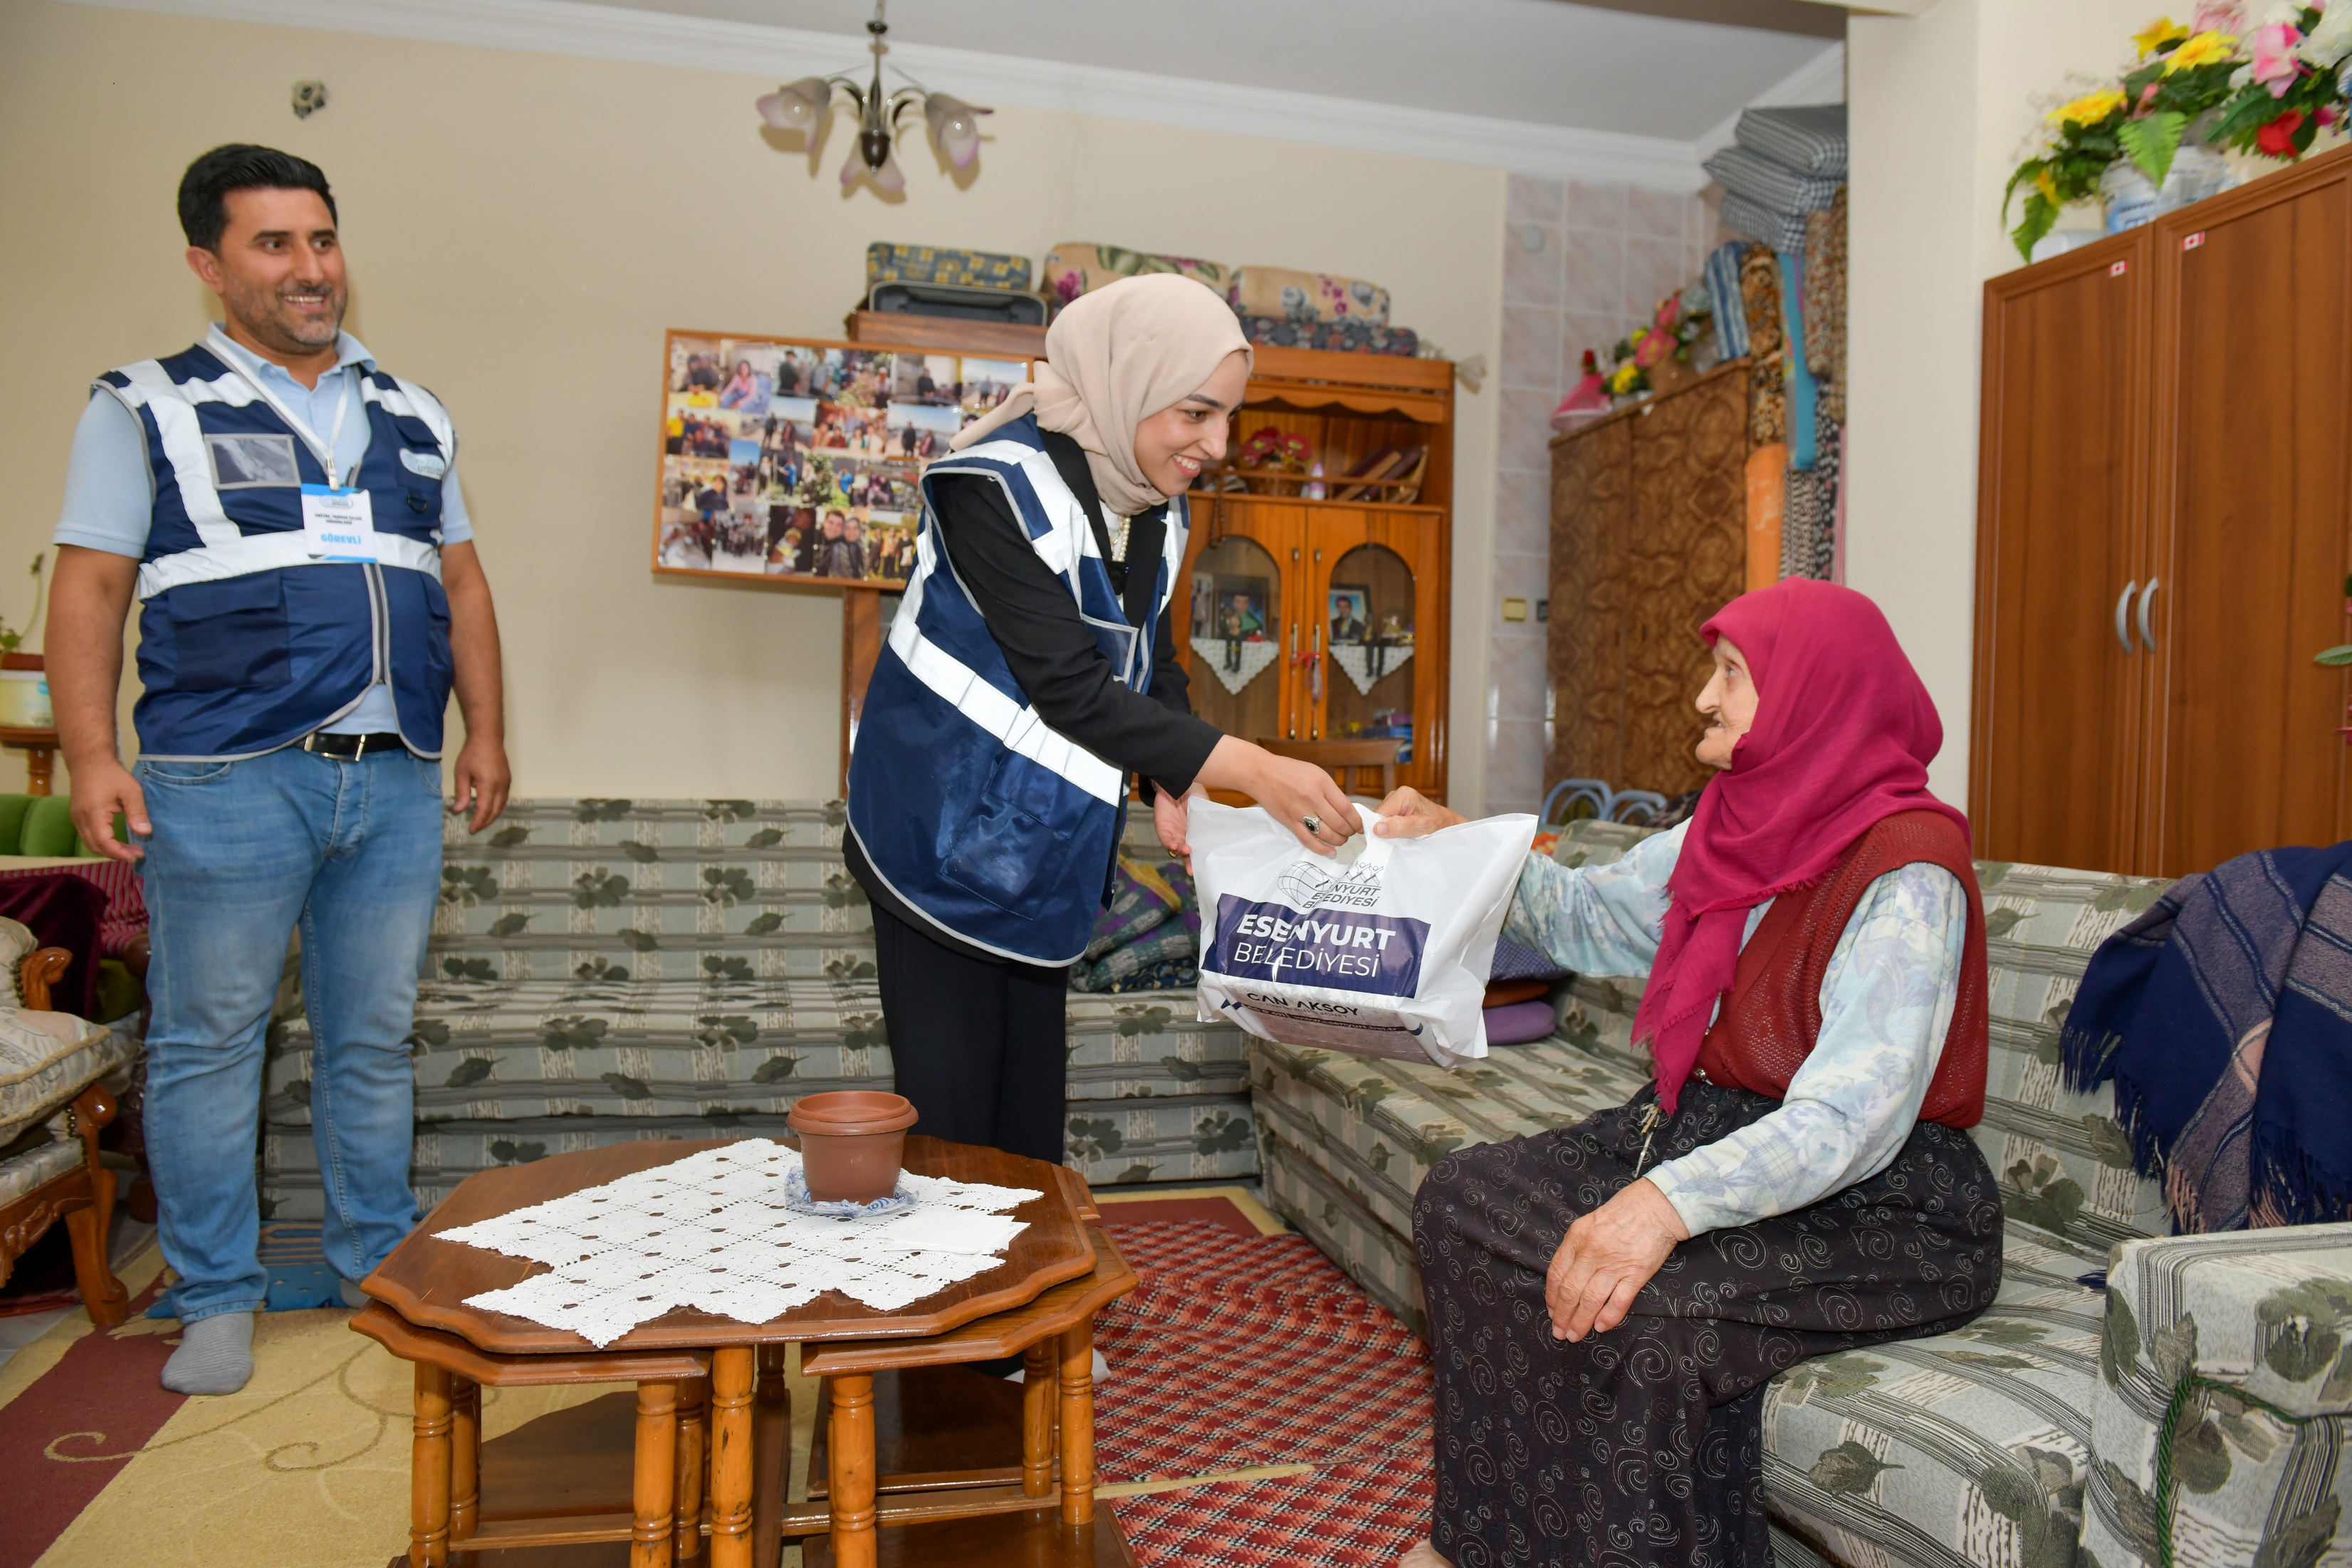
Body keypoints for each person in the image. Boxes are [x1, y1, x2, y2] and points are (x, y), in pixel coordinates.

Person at [1379, 578, 2000, 1568]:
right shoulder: (1734, 820)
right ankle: (1490, 1546)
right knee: (1462, 1200)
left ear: (1809, 695)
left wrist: (1659, 1205)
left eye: (1731, 675)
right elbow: (1590, 915)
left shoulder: (1906, 869)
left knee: (1644, 1309)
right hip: (1705, 1131)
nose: (1703, 698)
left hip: (1882, 1200)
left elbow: (1849, 1120)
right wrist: (1463, 845)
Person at [48, 145, 511, 1398]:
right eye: (273, 244)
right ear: (208, 264)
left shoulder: (413, 411)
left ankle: (373, 1267)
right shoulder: (143, 404)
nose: (309, 268)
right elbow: (90, 584)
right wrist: (91, 752)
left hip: (396, 775)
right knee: (210, 1042)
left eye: (321, 240)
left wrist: (487, 732)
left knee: (371, 1040)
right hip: (223, 776)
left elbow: (457, 581)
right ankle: (214, 1296)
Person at [845, 273, 1360, 1172]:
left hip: (1039, 852)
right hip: (933, 845)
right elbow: (1070, 688)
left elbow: (1148, 661)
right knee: (955, 1141)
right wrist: (1255, 769)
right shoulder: (993, 487)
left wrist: (1176, 776)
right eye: (1196, 414)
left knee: (1028, 1141)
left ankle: (1027, 1311)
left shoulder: (1152, 501)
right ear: (1129, 382)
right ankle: (949, 1312)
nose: (1217, 444)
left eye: (1229, 417)